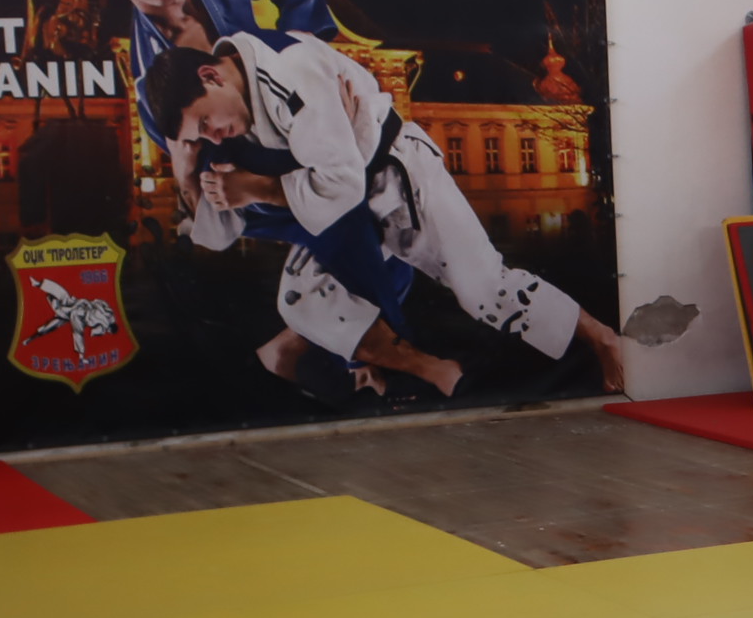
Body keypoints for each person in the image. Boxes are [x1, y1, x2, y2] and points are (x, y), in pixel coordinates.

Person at [142, 33, 628, 397]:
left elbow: (341, 185)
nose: (214, 136)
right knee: (301, 297)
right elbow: (220, 235)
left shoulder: (291, 71)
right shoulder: (237, 120)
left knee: (483, 291)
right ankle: (387, 368)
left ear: (212, 76)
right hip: (345, 211)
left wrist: (261, 187)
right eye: (200, 135)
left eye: (205, 122)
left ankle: (601, 338)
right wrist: (187, 174)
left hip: (401, 179)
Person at [77, 0, 333, 148]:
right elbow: (206, 152)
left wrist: (300, 57)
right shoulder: (150, 72)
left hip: (323, 101)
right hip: (283, 150)